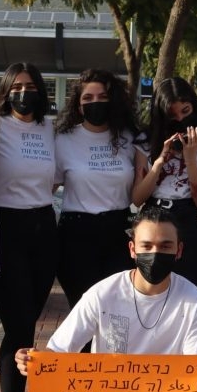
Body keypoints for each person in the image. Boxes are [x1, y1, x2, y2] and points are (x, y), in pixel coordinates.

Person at [15, 209, 197, 384]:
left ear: (179, 251)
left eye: (165, 246)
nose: (155, 253)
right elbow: (59, 351)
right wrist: (32, 361)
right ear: (132, 249)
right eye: (147, 246)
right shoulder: (102, 294)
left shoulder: (194, 301)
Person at [0, 62, 57, 392]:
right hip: (3, 226)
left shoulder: (50, 129)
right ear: (6, 91)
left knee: (28, 320)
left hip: (43, 227)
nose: (24, 93)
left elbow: (57, 176)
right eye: (16, 86)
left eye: (30, 86)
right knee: (19, 324)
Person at [54, 69, 140, 312]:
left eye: (102, 97)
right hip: (76, 235)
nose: (96, 103)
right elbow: (47, 186)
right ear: (79, 106)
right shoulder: (63, 139)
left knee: (117, 310)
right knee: (84, 310)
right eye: (88, 98)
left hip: (119, 232)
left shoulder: (130, 138)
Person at [132, 77, 197, 289]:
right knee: (149, 285)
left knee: (188, 287)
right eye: (172, 115)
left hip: (186, 215)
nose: (180, 118)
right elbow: (137, 198)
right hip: (152, 213)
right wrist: (159, 162)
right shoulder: (146, 140)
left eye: (186, 110)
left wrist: (190, 159)